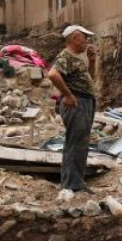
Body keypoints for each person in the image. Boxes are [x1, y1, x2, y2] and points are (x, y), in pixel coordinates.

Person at [47, 25, 98, 200]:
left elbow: (90, 78)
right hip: (77, 103)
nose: (87, 42)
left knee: (79, 143)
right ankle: (71, 184)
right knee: (76, 143)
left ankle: (75, 182)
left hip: (84, 102)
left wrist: (92, 61)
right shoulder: (65, 56)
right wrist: (68, 95)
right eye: (85, 38)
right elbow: (53, 74)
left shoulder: (77, 59)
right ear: (75, 38)